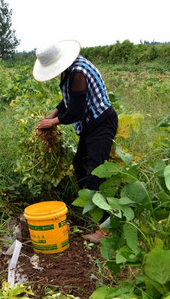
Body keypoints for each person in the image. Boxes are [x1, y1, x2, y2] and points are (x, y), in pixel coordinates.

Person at [32, 40, 118, 244]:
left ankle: (106, 230)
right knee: (79, 165)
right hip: (90, 125)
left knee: (96, 174)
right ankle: (91, 209)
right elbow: (67, 101)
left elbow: (76, 111)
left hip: (101, 122)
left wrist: (52, 122)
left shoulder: (78, 72)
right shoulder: (69, 70)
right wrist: (51, 115)